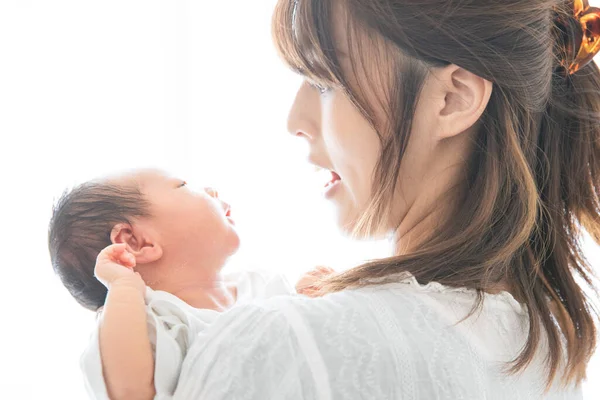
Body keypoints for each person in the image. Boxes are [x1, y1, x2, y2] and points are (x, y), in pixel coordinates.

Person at [164, 0, 600, 398]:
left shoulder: (287, 345)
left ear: (452, 99)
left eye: (324, 81)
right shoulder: (550, 357)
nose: (294, 121)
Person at [47, 169, 331, 399]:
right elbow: (129, 392)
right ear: (136, 242)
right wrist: (123, 288)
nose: (211, 189)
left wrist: (310, 300)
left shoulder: (260, 284)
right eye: (182, 185)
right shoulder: (155, 325)